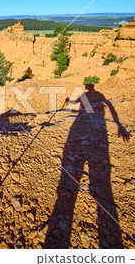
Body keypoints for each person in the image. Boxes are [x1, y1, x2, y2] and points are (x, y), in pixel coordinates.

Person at [45, 84, 129, 248]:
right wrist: (118, 124)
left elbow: (82, 103)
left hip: (87, 124)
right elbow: (108, 106)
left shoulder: (91, 94)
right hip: (98, 127)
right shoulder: (97, 94)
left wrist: (69, 102)